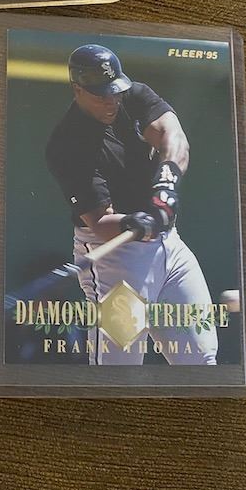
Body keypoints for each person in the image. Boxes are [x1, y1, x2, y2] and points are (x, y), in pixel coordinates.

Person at [45, 44, 218, 366]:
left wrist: (166, 182)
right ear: (77, 89)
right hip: (115, 256)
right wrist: (133, 223)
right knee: (119, 369)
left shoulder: (132, 95)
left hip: (170, 246)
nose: (111, 100)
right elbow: (100, 222)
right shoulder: (66, 144)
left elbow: (172, 135)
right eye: (101, 94)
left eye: (115, 91)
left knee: (201, 360)